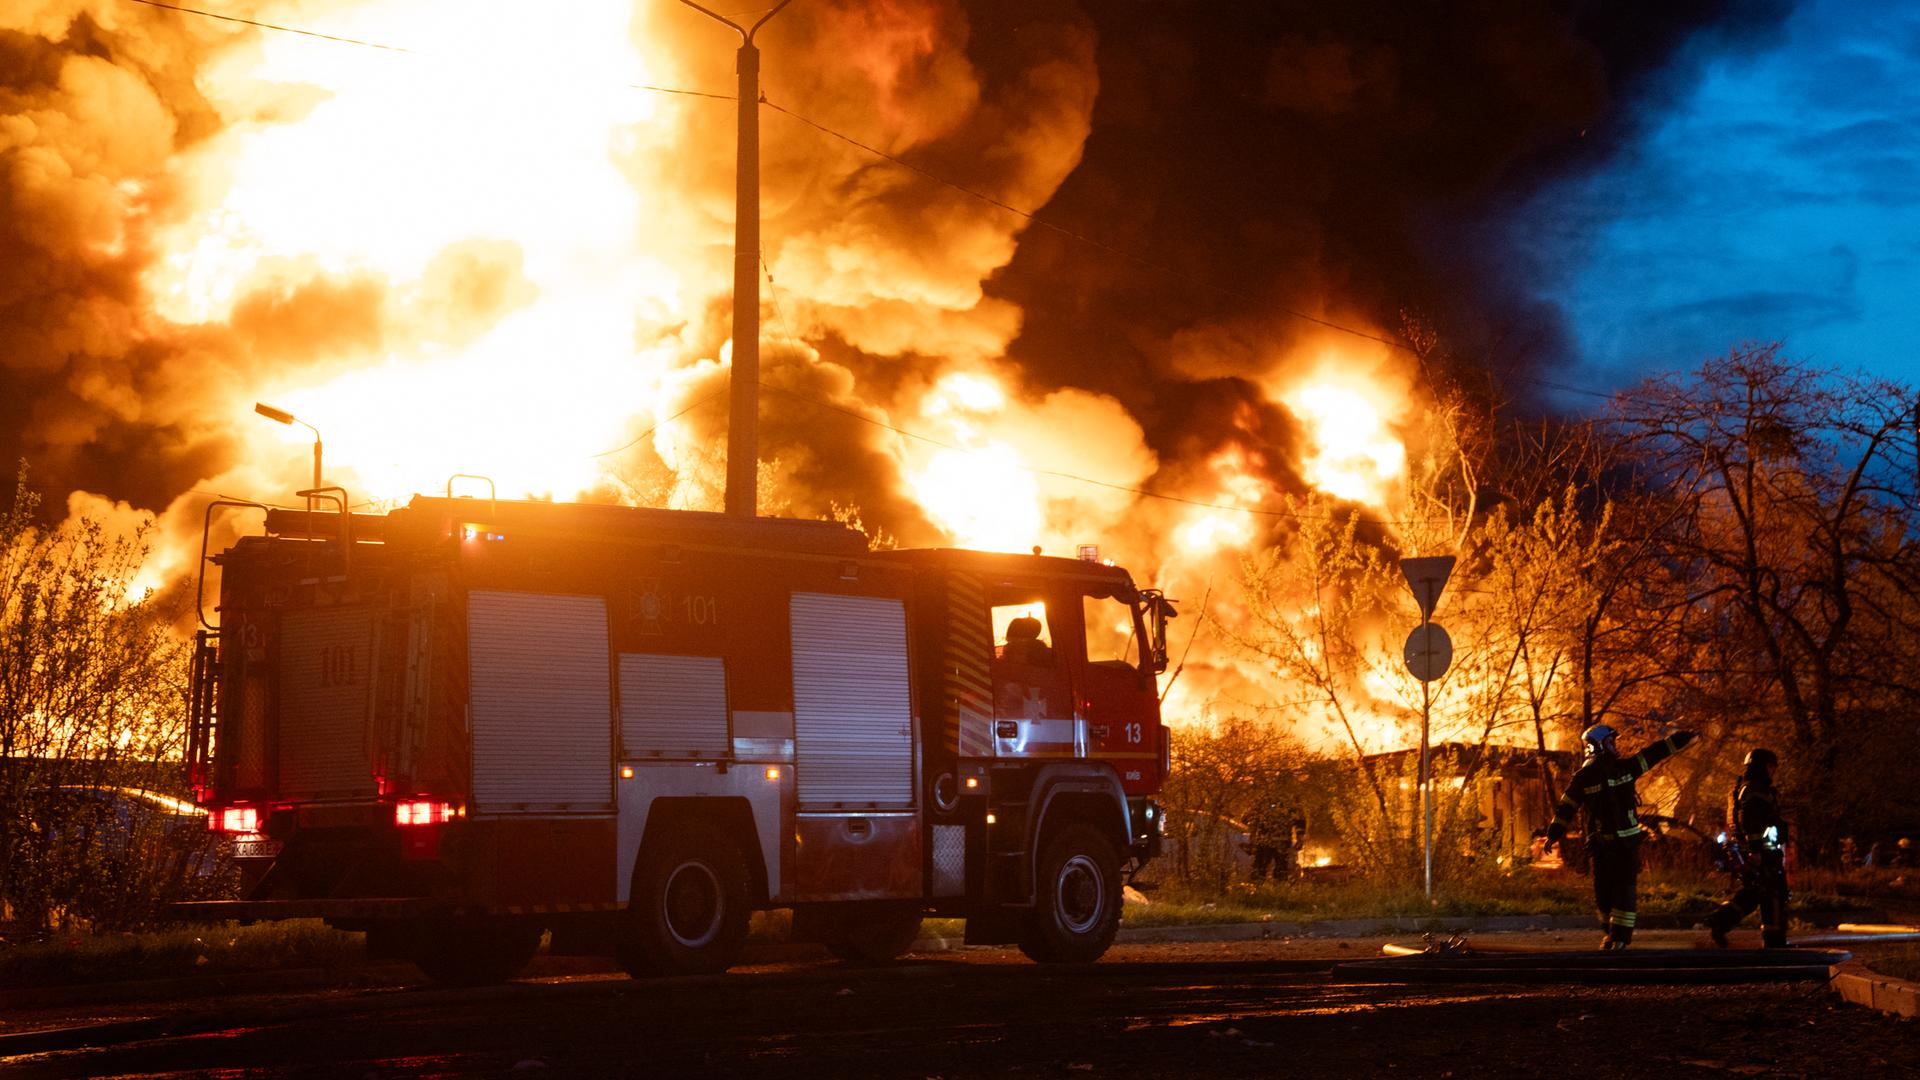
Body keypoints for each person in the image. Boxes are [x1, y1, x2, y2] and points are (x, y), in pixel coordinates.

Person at [1537, 723, 1698, 949]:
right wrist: (1553, 834)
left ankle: (1620, 937)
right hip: (1601, 846)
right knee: (1603, 893)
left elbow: (1654, 753)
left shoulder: (1626, 768)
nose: (1615, 746)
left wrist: (1682, 738)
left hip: (1626, 845)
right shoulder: (1583, 777)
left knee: (1624, 891)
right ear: (1597, 745)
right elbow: (1566, 807)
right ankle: (1609, 933)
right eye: (1610, 742)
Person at [1705, 748, 1790, 948]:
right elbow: (1751, 821)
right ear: (1762, 767)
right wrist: (1756, 850)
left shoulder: (1745, 788)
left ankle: (1720, 921)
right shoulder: (1756, 789)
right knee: (1773, 893)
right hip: (1762, 853)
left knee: (1754, 893)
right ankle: (1775, 942)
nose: (1773, 771)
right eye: (1770, 766)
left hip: (1752, 851)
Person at [1244, 799, 1294, 882]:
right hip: (1279, 842)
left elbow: (1247, 818)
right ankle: (1279, 886)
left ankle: (1259, 885)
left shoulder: (1262, 801)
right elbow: (1299, 819)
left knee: (1262, 867)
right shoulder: (1289, 801)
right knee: (1280, 868)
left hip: (1266, 841)